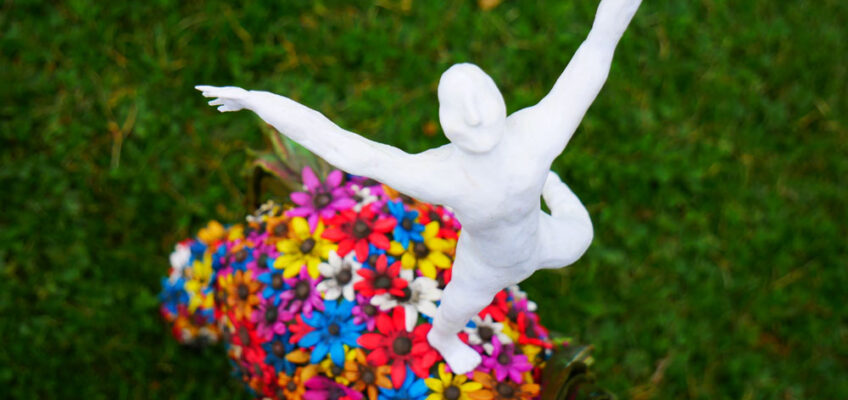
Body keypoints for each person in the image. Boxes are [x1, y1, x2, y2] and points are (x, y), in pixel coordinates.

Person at [197, 0, 641, 373]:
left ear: (500, 99)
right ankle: (443, 339)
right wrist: (258, 101)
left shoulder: (536, 135)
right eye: (459, 110)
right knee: (453, 313)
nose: (475, 117)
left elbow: (595, 53)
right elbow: (347, 150)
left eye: (482, 101)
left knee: (580, 236)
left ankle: (552, 185)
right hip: (483, 266)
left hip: (540, 239)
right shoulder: (441, 174)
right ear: (447, 123)